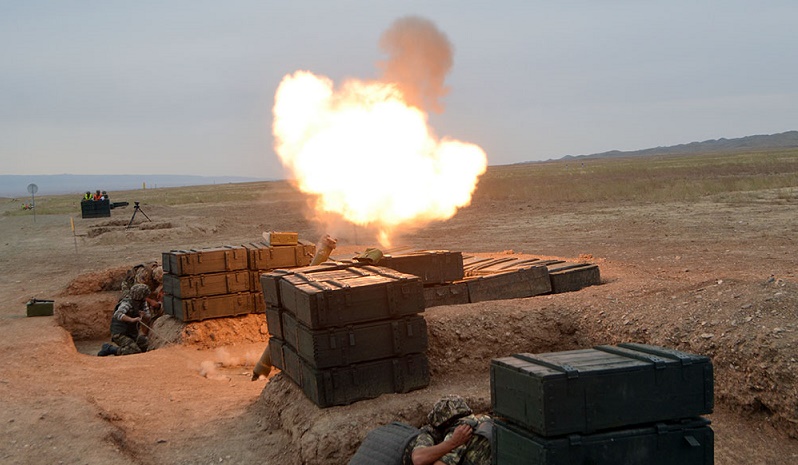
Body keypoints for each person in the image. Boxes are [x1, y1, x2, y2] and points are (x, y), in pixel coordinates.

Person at [404, 395, 493, 465]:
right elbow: (418, 458)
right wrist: (452, 442)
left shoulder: (461, 431)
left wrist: (453, 442)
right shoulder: (484, 419)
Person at [98, 283, 151, 356]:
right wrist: (132, 319)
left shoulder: (142, 303)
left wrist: (143, 315)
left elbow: (148, 316)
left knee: (146, 345)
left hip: (132, 334)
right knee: (134, 350)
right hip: (120, 333)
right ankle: (110, 349)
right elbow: (118, 314)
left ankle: (128, 347)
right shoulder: (127, 303)